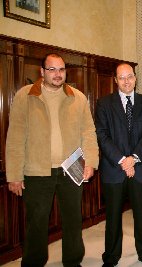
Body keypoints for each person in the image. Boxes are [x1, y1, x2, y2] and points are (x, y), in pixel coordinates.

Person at [6, 53, 99, 267]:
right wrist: (14, 175)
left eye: (61, 69)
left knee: (73, 220)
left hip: (71, 169)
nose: (58, 74)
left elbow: (88, 132)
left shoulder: (78, 97)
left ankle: (73, 262)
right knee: (36, 223)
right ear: (42, 72)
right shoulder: (24, 96)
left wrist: (91, 162)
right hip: (37, 171)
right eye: (52, 69)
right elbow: (15, 138)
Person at [95, 63, 142, 267]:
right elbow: (102, 135)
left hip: (139, 167)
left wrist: (133, 158)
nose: (126, 81)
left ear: (135, 78)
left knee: (141, 213)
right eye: (121, 77)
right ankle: (111, 256)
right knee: (113, 216)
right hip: (114, 168)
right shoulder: (104, 104)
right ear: (115, 80)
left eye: (129, 76)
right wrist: (123, 160)